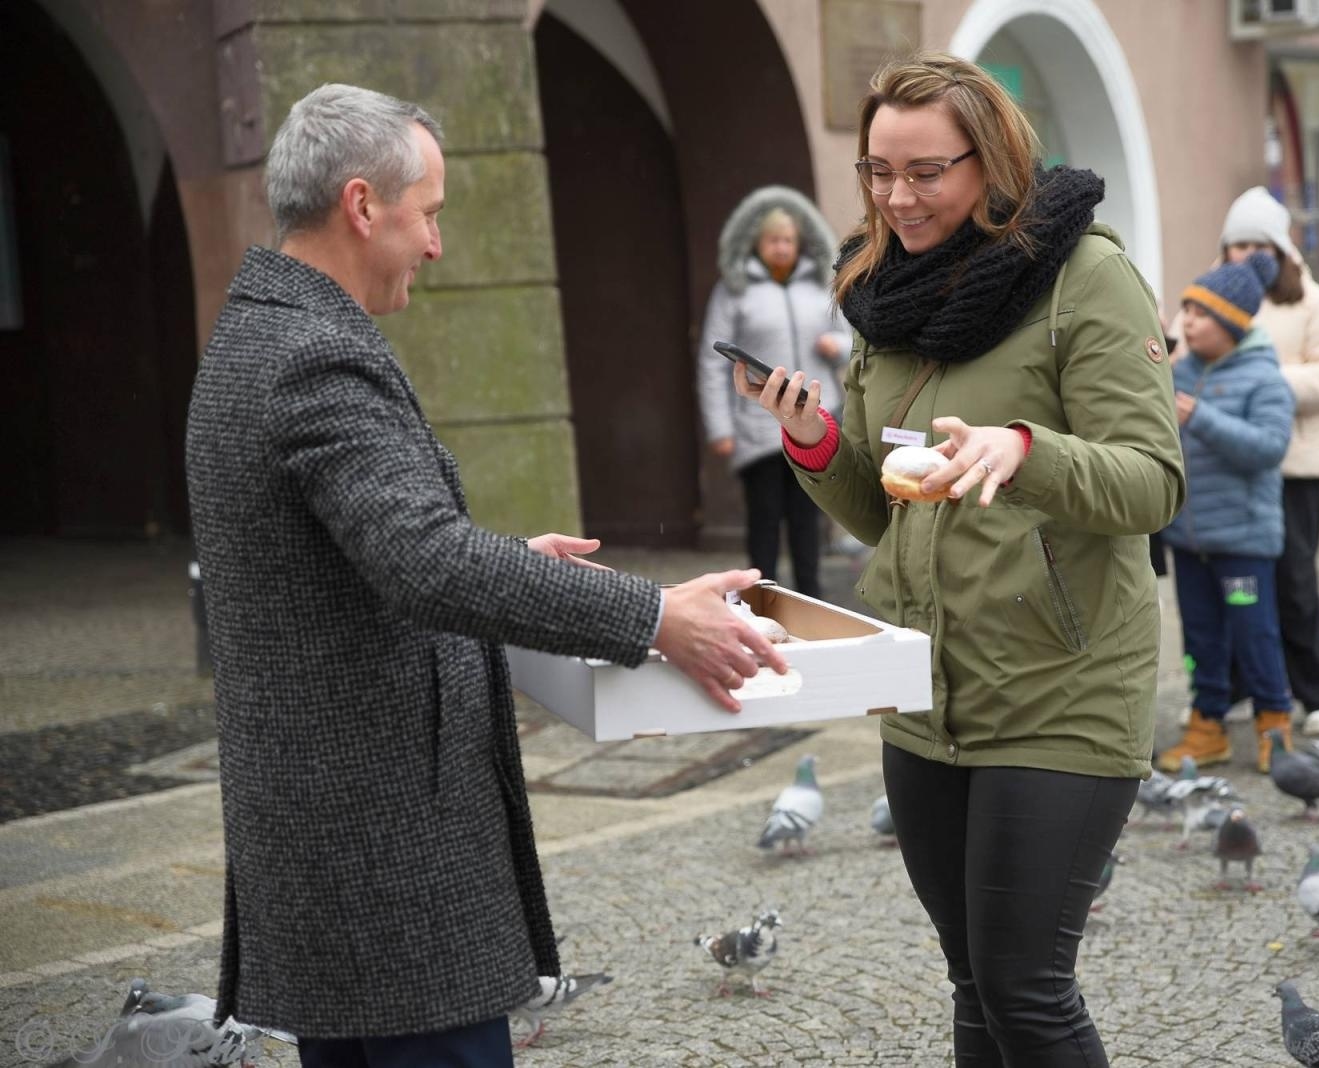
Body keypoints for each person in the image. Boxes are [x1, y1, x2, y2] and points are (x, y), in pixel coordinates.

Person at [184, 84, 785, 1067]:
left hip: (329, 848)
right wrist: (651, 616)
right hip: (385, 858)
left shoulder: (259, 326)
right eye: (429, 214)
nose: (436, 244)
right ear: (362, 205)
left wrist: (504, 562)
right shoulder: (314, 356)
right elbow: (423, 562)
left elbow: (371, 551)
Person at [736, 52, 1183, 1066]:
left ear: (991, 162)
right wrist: (812, 445)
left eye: (926, 171)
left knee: (1027, 990)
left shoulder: (1087, 277)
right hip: (927, 695)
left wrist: (1024, 451)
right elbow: (881, 509)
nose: (896, 196)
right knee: (974, 983)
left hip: (1060, 689)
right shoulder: (880, 293)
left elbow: (1154, 480)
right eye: (877, 172)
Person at [1155, 252, 1296, 775]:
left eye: (1200, 314)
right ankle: (1206, 727)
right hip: (1190, 543)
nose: (1188, 322)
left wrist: (1198, 415)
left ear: (1232, 324)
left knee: (1254, 634)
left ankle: (1274, 726)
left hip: (1242, 546)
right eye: (1186, 310)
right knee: (1201, 639)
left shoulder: (1264, 379)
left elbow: (1267, 448)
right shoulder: (1178, 373)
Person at [1219, 187, 1319, 722]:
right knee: (1232, 584)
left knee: (1295, 583)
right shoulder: (1214, 297)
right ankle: (1234, 688)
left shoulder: (1315, 303)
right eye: (1238, 243)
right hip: (1228, 465)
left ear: (1279, 248)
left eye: (1259, 243)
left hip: (1292, 468)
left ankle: (1316, 693)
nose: (1247, 254)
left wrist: (1265, 384)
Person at [697, 186, 850, 597]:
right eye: (772, 240)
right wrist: (720, 428)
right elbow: (713, 361)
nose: (781, 247)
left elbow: (851, 340)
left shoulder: (821, 285)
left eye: (788, 240)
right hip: (758, 426)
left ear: (799, 243)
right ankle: (760, 599)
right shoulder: (734, 290)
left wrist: (838, 347)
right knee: (764, 521)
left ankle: (812, 599)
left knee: (808, 520)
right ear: (757, 244)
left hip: (816, 421)